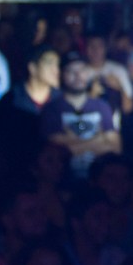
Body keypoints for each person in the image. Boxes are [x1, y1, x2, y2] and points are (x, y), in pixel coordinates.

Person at [40, 51, 120, 181]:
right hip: (64, 181)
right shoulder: (52, 109)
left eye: (82, 70)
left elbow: (115, 147)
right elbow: (56, 152)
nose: (78, 75)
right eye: (71, 71)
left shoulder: (102, 106)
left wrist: (72, 142)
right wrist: (99, 140)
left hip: (100, 181)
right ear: (61, 74)